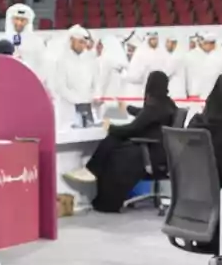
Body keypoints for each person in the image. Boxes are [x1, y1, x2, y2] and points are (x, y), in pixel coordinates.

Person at [68, 70, 177, 212]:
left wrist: (110, 127)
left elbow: (132, 128)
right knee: (114, 141)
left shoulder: (155, 106)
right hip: (159, 152)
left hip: (151, 154)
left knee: (115, 148)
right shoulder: (167, 104)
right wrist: (127, 109)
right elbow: (145, 115)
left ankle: (97, 181)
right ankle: (91, 169)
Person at [47, 24, 97, 123]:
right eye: (80, 42)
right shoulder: (61, 60)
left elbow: (95, 82)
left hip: (87, 105)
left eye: (84, 43)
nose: (82, 45)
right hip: (68, 107)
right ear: (71, 40)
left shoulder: (90, 60)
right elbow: (59, 86)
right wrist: (77, 100)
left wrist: (90, 97)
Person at [187, 31, 222, 100]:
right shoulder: (211, 56)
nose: (202, 46)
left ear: (212, 44)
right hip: (207, 94)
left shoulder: (218, 57)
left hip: (214, 94)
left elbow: (210, 78)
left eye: (205, 44)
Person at [162, 35, 187, 100]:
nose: (165, 45)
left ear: (173, 43)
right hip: (179, 92)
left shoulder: (175, 57)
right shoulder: (180, 54)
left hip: (175, 93)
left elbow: (164, 74)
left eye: (167, 42)